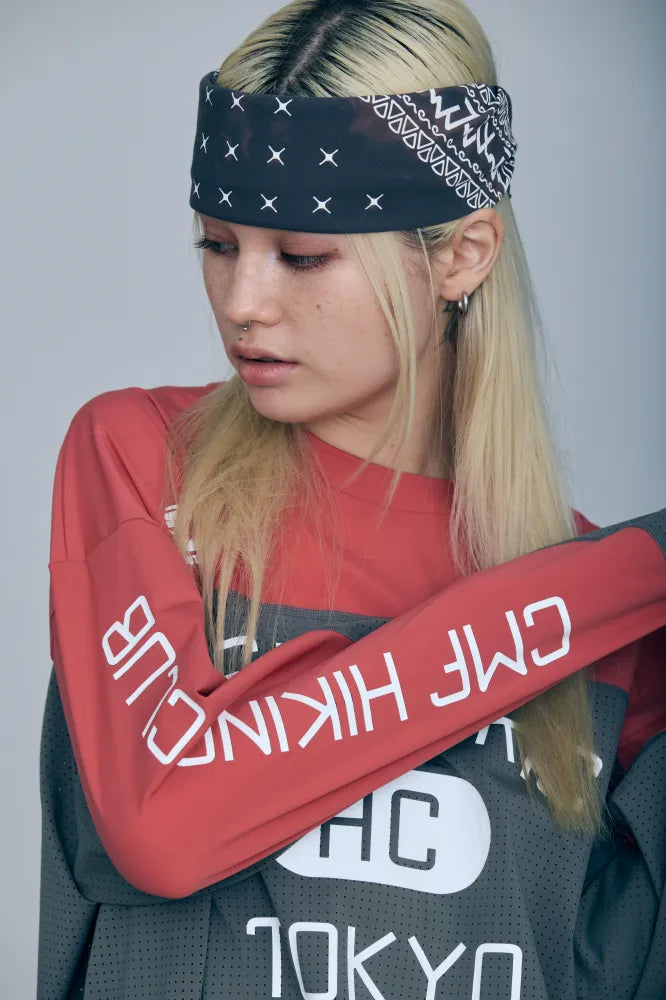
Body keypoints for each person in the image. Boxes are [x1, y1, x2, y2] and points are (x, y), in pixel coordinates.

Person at [37, 1, 665, 998]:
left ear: (462, 254)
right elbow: (166, 821)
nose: (243, 303)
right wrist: (613, 584)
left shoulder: (619, 633)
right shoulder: (146, 460)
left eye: (302, 255)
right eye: (217, 244)